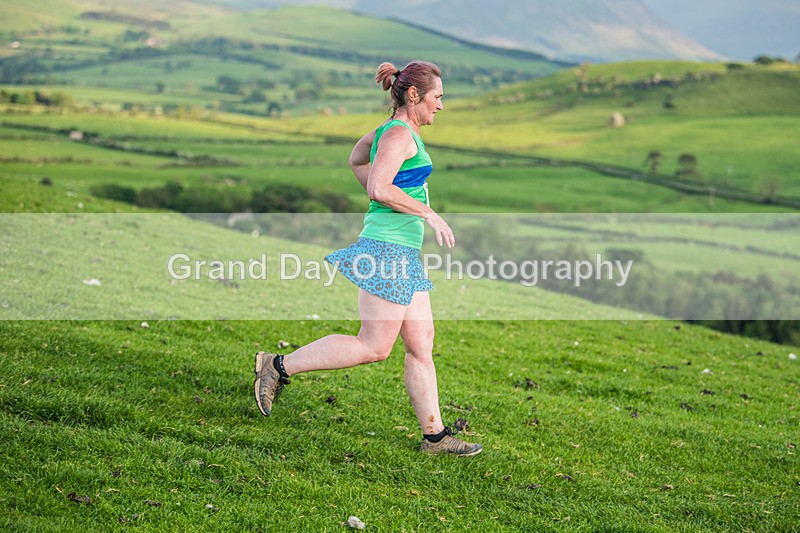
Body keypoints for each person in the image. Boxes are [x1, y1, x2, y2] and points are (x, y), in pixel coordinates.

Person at [253, 60, 482, 457]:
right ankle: (277, 366)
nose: (441, 106)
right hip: (386, 250)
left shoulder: (393, 131)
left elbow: (358, 161)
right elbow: (377, 186)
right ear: (414, 96)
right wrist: (428, 213)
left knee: (421, 343)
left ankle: (436, 438)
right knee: (374, 346)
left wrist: (399, 202)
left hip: (402, 252)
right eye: (438, 97)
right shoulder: (397, 135)